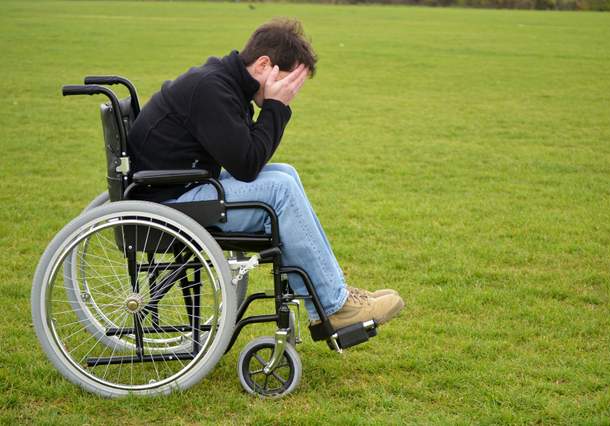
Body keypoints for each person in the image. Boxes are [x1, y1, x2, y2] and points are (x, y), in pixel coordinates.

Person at [127, 18, 404, 329]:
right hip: (167, 204)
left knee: (285, 174)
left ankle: (335, 294)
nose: (291, 92)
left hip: (179, 187)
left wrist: (273, 106)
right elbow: (247, 166)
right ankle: (333, 306)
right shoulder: (212, 89)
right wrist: (275, 107)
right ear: (263, 64)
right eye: (289, 81)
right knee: (279, 190)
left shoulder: (225, 84)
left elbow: (247, 157)